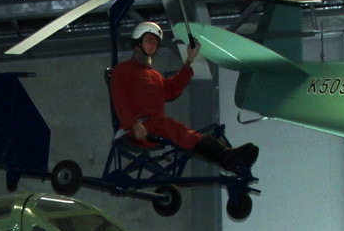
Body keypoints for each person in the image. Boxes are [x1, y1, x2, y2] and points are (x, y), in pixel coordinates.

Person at [110, 20, 257, 172]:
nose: (153, 45)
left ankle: (227, 155)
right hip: (136, 130)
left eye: (155, 42)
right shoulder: (122, 70)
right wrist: (133, 123)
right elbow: (119, 100)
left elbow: (172, 88)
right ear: (138, 41)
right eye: (149, 40)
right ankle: (226, 156)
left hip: (154, 128)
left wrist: (190, 60)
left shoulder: (154, 76)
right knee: (174, 128)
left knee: (184, 132)